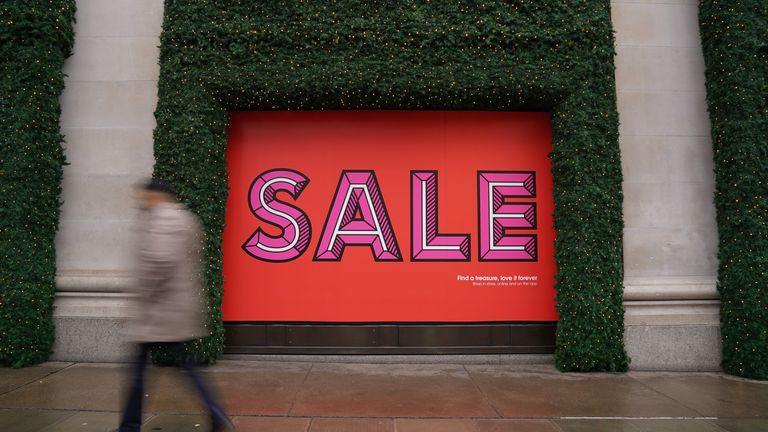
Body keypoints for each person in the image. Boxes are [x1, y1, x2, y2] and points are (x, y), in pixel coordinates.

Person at [117, 179, 233, 432]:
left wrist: (143, 296)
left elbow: (160, 261)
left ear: (155, 196)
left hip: (160, 310)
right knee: (186, 366)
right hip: (174, 309)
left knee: (142, 371)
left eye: (145, 197)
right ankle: (215, 415)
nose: (141, 201)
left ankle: (130, 426)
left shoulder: (163, 219)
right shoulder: (186, 218)